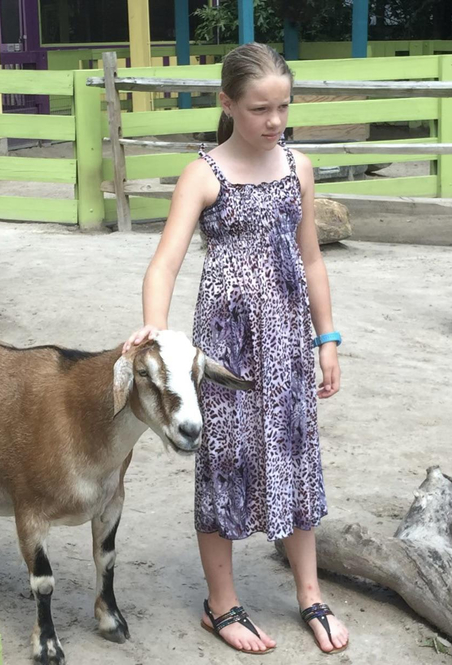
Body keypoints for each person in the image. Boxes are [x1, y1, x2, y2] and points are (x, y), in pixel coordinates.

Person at [124, 42, 350, 656]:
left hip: (287, 339)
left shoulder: (298, 166)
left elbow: (311, 260)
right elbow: (164, 263)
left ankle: (310, 592)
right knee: (224, 457)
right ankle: (220, 604)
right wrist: (156, 330)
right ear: (227, 103)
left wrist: (326, 340)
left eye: (283, 107)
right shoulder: (204, 171)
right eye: (258, 109)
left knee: (297, 452)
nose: (274, 121)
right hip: (225, 348)